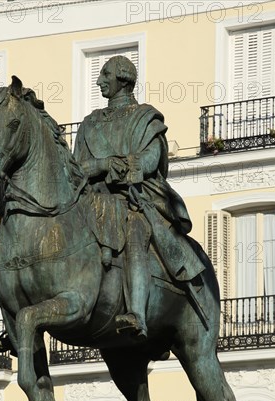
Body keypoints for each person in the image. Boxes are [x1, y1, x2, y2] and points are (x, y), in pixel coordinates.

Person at [74, 55, 204, 340]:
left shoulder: (146, 118)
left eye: (105, 75)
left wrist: (112, 167)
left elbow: (149, 161)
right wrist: (93, 167)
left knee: (134, 232)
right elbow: (76, 169)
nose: (98, 81)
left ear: (123, 79)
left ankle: (136, 314)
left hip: (133, 199)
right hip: (91, 202)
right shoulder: (88, 124)